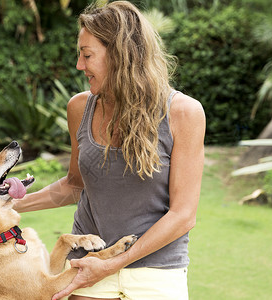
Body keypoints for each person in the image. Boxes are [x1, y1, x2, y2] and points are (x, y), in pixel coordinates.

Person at [13, 1, 205, 299]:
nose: (79, 65)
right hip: (88, 266)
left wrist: (114, 263)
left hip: (157, 273)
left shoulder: (184, 113)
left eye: (87, 55)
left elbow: (182, 215)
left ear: (120, 55)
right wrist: (3, 207)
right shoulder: (79, 107)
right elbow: (75, 186)